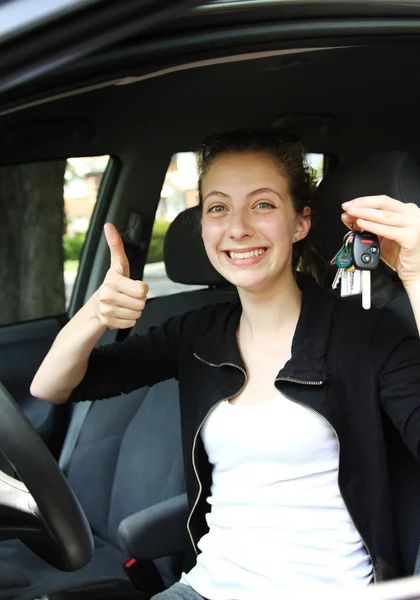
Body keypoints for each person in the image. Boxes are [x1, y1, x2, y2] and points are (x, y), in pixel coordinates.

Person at [31, 128, 420, 600]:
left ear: (300, 222)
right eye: (218, 208)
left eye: (262, 205)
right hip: (203, 589)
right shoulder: (197, 333)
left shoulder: (366, 335)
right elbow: (51, 387)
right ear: (203, 226)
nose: (237, 228)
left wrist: (416, 274)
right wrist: (93, 314)